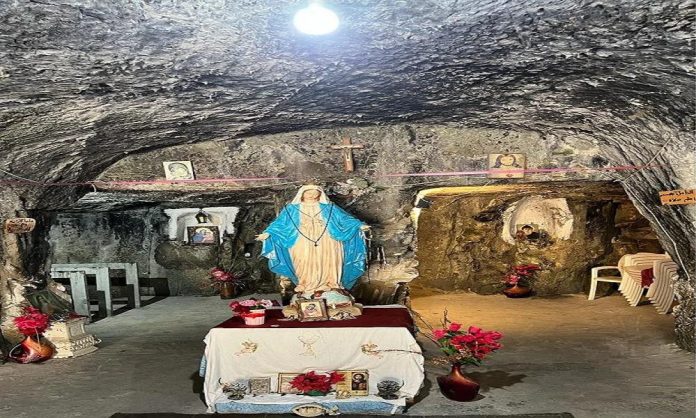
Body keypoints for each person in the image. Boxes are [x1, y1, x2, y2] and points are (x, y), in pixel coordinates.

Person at [256, 185, 369, 296]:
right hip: (301, 239)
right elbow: (280, 223)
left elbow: (344, 219)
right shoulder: (291, 209)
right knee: (303, 260)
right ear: (302, 194)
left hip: (327, 239)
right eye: (309, 192)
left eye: (315, 193)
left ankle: (330, 284)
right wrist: (268, 233)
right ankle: (305, 284)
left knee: (328, 260)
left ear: (320, 194)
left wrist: (359, 225)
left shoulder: (329, 207)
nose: (312, 195)